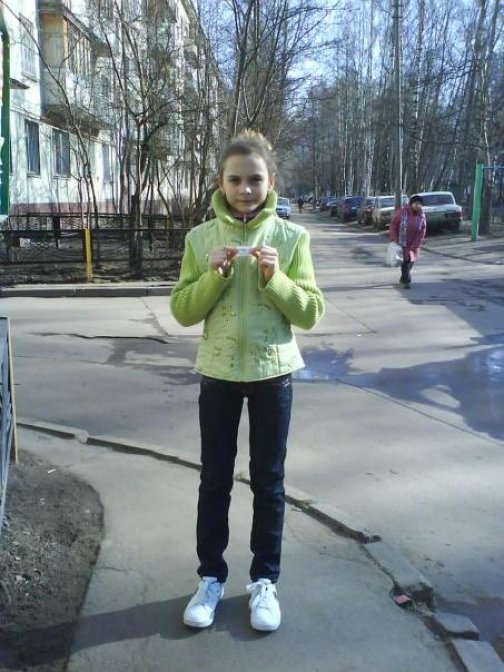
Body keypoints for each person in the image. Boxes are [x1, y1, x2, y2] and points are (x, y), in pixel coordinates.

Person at [170, 130, 325, 633]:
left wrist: (276, 279)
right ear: (221, 182)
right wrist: (212, 276)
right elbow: (182, 311)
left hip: (272, 375)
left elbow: (310, 313)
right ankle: (210, 579)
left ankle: (264, 582)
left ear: (271, 182)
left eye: (254, 179)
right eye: (235, 179)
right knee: (214, 480)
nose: (244, 189)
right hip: (217, 375)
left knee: (269, 482)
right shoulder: (200, 240)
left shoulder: (292, 238)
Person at [389, 194, 427, 288]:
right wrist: (394, 238)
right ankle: (406, 281)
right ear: (411, 204)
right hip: (402, 242)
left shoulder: (421, 215)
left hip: (414, 244)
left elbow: (422, 229)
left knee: (411, 262)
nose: (418, 206)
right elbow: (393, 225)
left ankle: (403, 278)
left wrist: (417, 243)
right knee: (406, 261)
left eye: (420, 204)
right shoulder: (402, 212)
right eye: (416, 203)